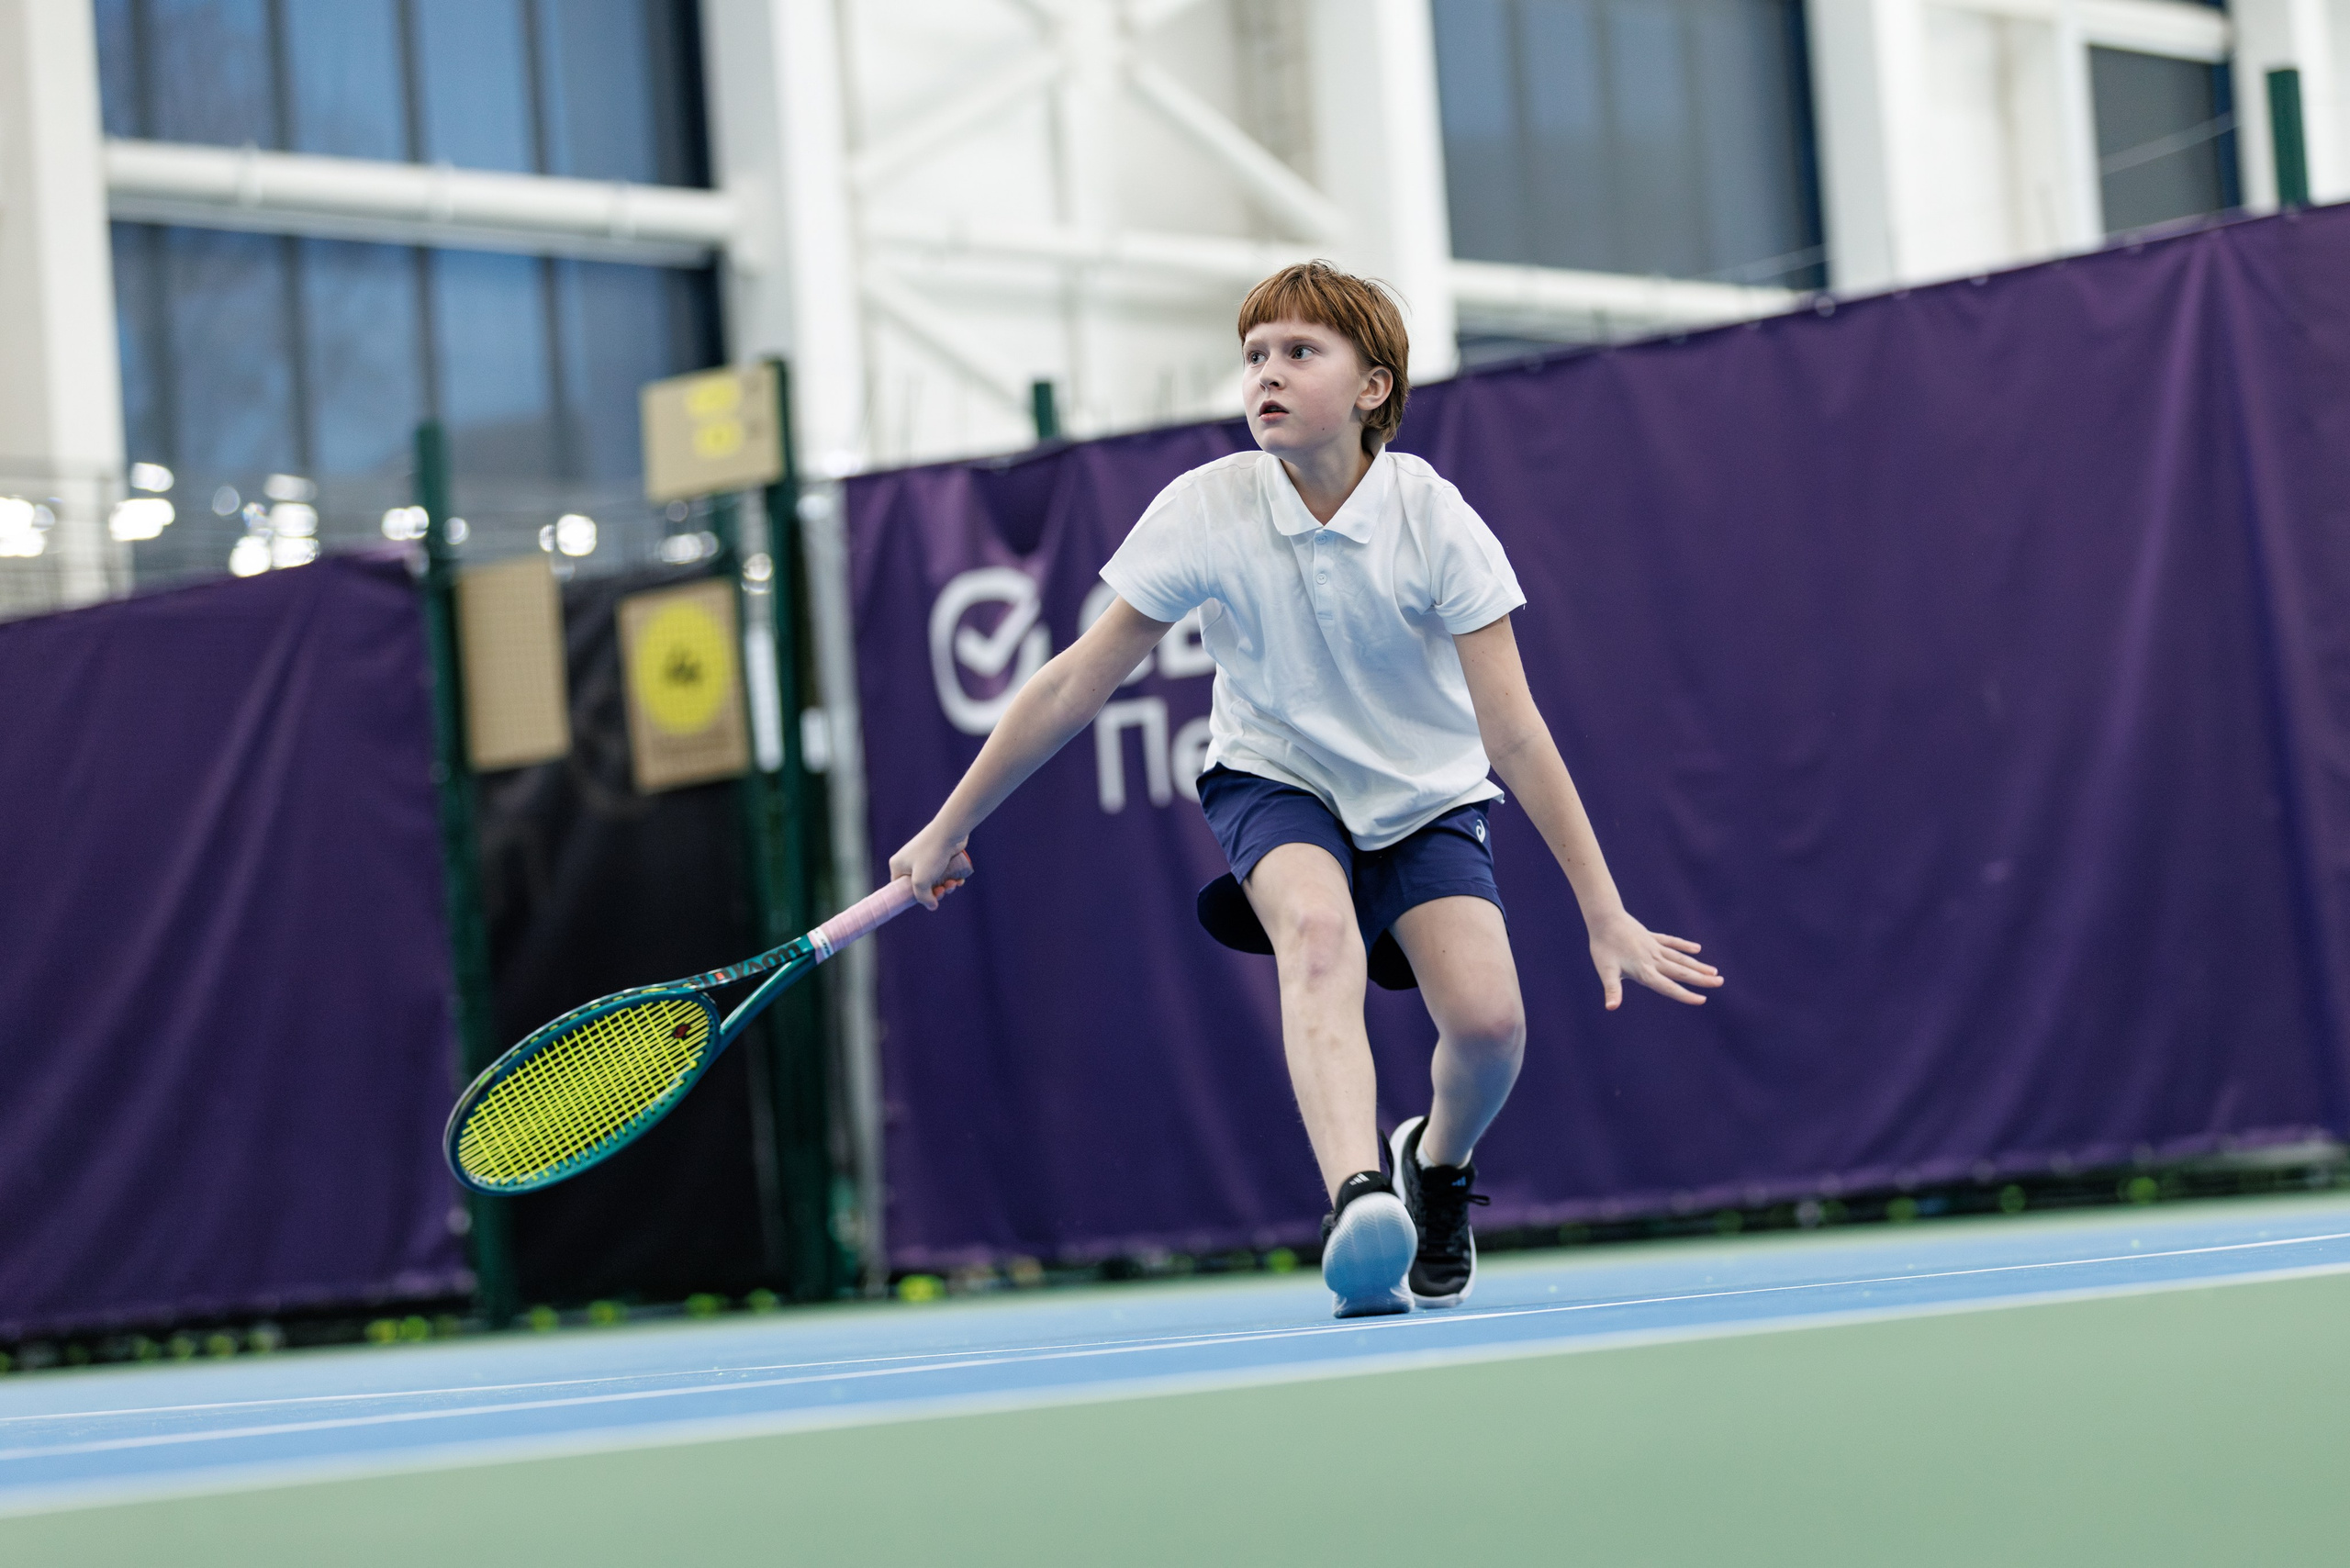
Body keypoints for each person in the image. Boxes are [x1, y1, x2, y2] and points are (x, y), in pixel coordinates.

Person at [891, 261, 1722, 1318]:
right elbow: (1073, 682)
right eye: (1253, 356)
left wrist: (1603, 910)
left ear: (1373, 388)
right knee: (1317, 937)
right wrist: (949, 822)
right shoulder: (1206, 507)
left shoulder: (1434, 518)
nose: (1266, 375)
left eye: (1298, 352)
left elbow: (1513, 730)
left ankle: (1433, 1163)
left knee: (1488, 1027)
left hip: (1423, 797)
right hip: (1273, 778)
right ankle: (1357, 1200)